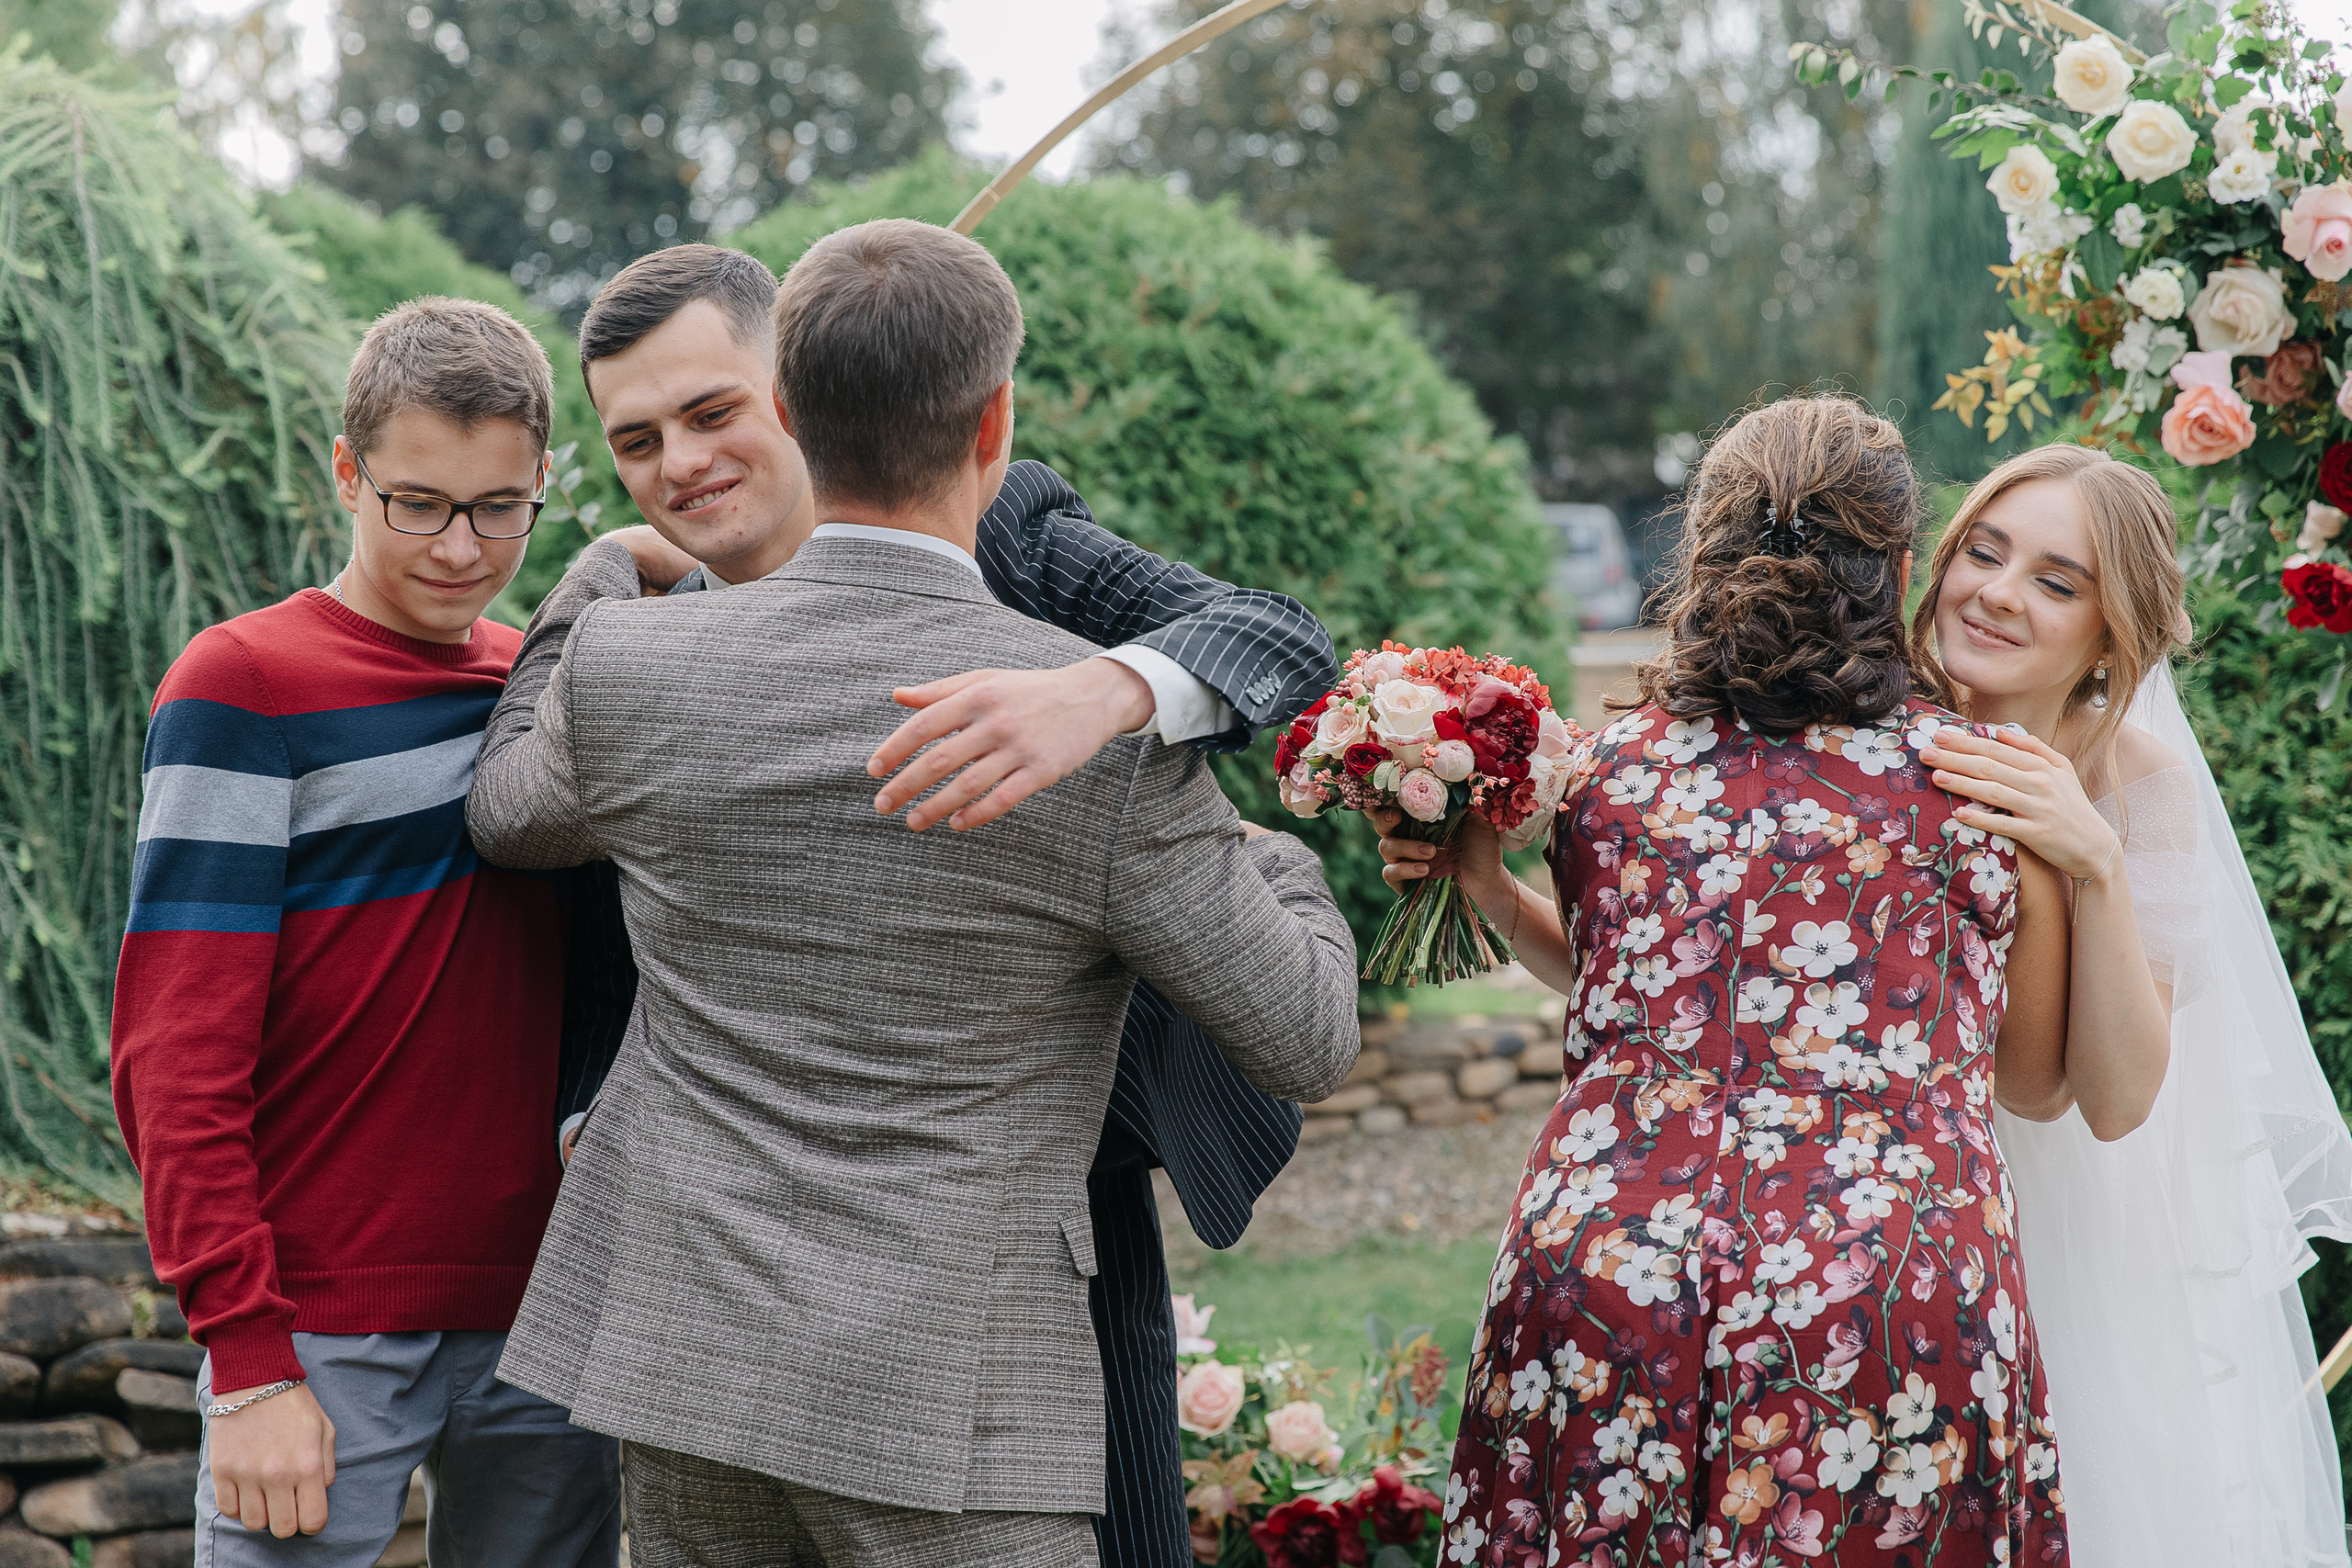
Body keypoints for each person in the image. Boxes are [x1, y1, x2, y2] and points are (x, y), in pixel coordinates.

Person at [467, 217, 1363, 1567]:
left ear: (786, 401)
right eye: (635, 442)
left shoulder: (624, 671)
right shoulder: (1123, 780)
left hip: (758, 1338)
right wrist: (1250, 847)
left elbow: (502, 806)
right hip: (938, 1385)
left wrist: (1119, 690)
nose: (681, 464)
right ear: (991, 413)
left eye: (710, 412)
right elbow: (1309, 1031)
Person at [1375, 395, 2078, 1565]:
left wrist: (1492, 892)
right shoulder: (1987, 780)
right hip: (1886, 1280)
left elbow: (1640, 985)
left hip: (1605, 1265)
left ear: (1699, 556)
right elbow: (2038, 1076)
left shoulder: (1603, 771)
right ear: (1900, 567)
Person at [110, 299, 619, 1565]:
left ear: (544, 480)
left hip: (549, 1320)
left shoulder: (536, 686)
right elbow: (173, 1051)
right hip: (318, 1324)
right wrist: (244, 1351)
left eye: (502, 506)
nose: (461, 545)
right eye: (418, 501)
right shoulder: (243, 684)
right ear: (346, 470)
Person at [1905, 443, 2352, 1568]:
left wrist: (2090, 861)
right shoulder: (1870, 739)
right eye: (1983, 551)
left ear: (2111, 637)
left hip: (2074, 1236)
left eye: (2057, 582)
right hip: (1888, 1207)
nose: (1999, 593)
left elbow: (2110, 1100)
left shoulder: (2139, 785)